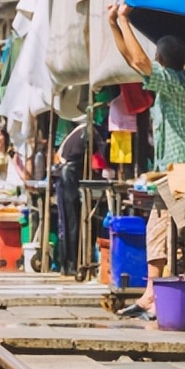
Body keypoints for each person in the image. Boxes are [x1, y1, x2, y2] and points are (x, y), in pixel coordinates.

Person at [107, 3, 185, 318]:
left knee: (166, 229)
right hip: (172, 173)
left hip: (182, 172)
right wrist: (113, 25)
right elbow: (132, 60)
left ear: (161, 61)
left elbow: (137, 59)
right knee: (160, 229)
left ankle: (155, 294)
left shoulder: (174, 82)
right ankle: (152, 293)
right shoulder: (172, 84)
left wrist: (123, 19)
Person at [55, 116, 109, 276]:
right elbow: (103, 154)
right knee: (72, 221)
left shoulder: (80, 130)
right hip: (68, 175)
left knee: (67, 221)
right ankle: (71, 264)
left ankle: (67, 264)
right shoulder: (91, 131)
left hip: (65, 174)